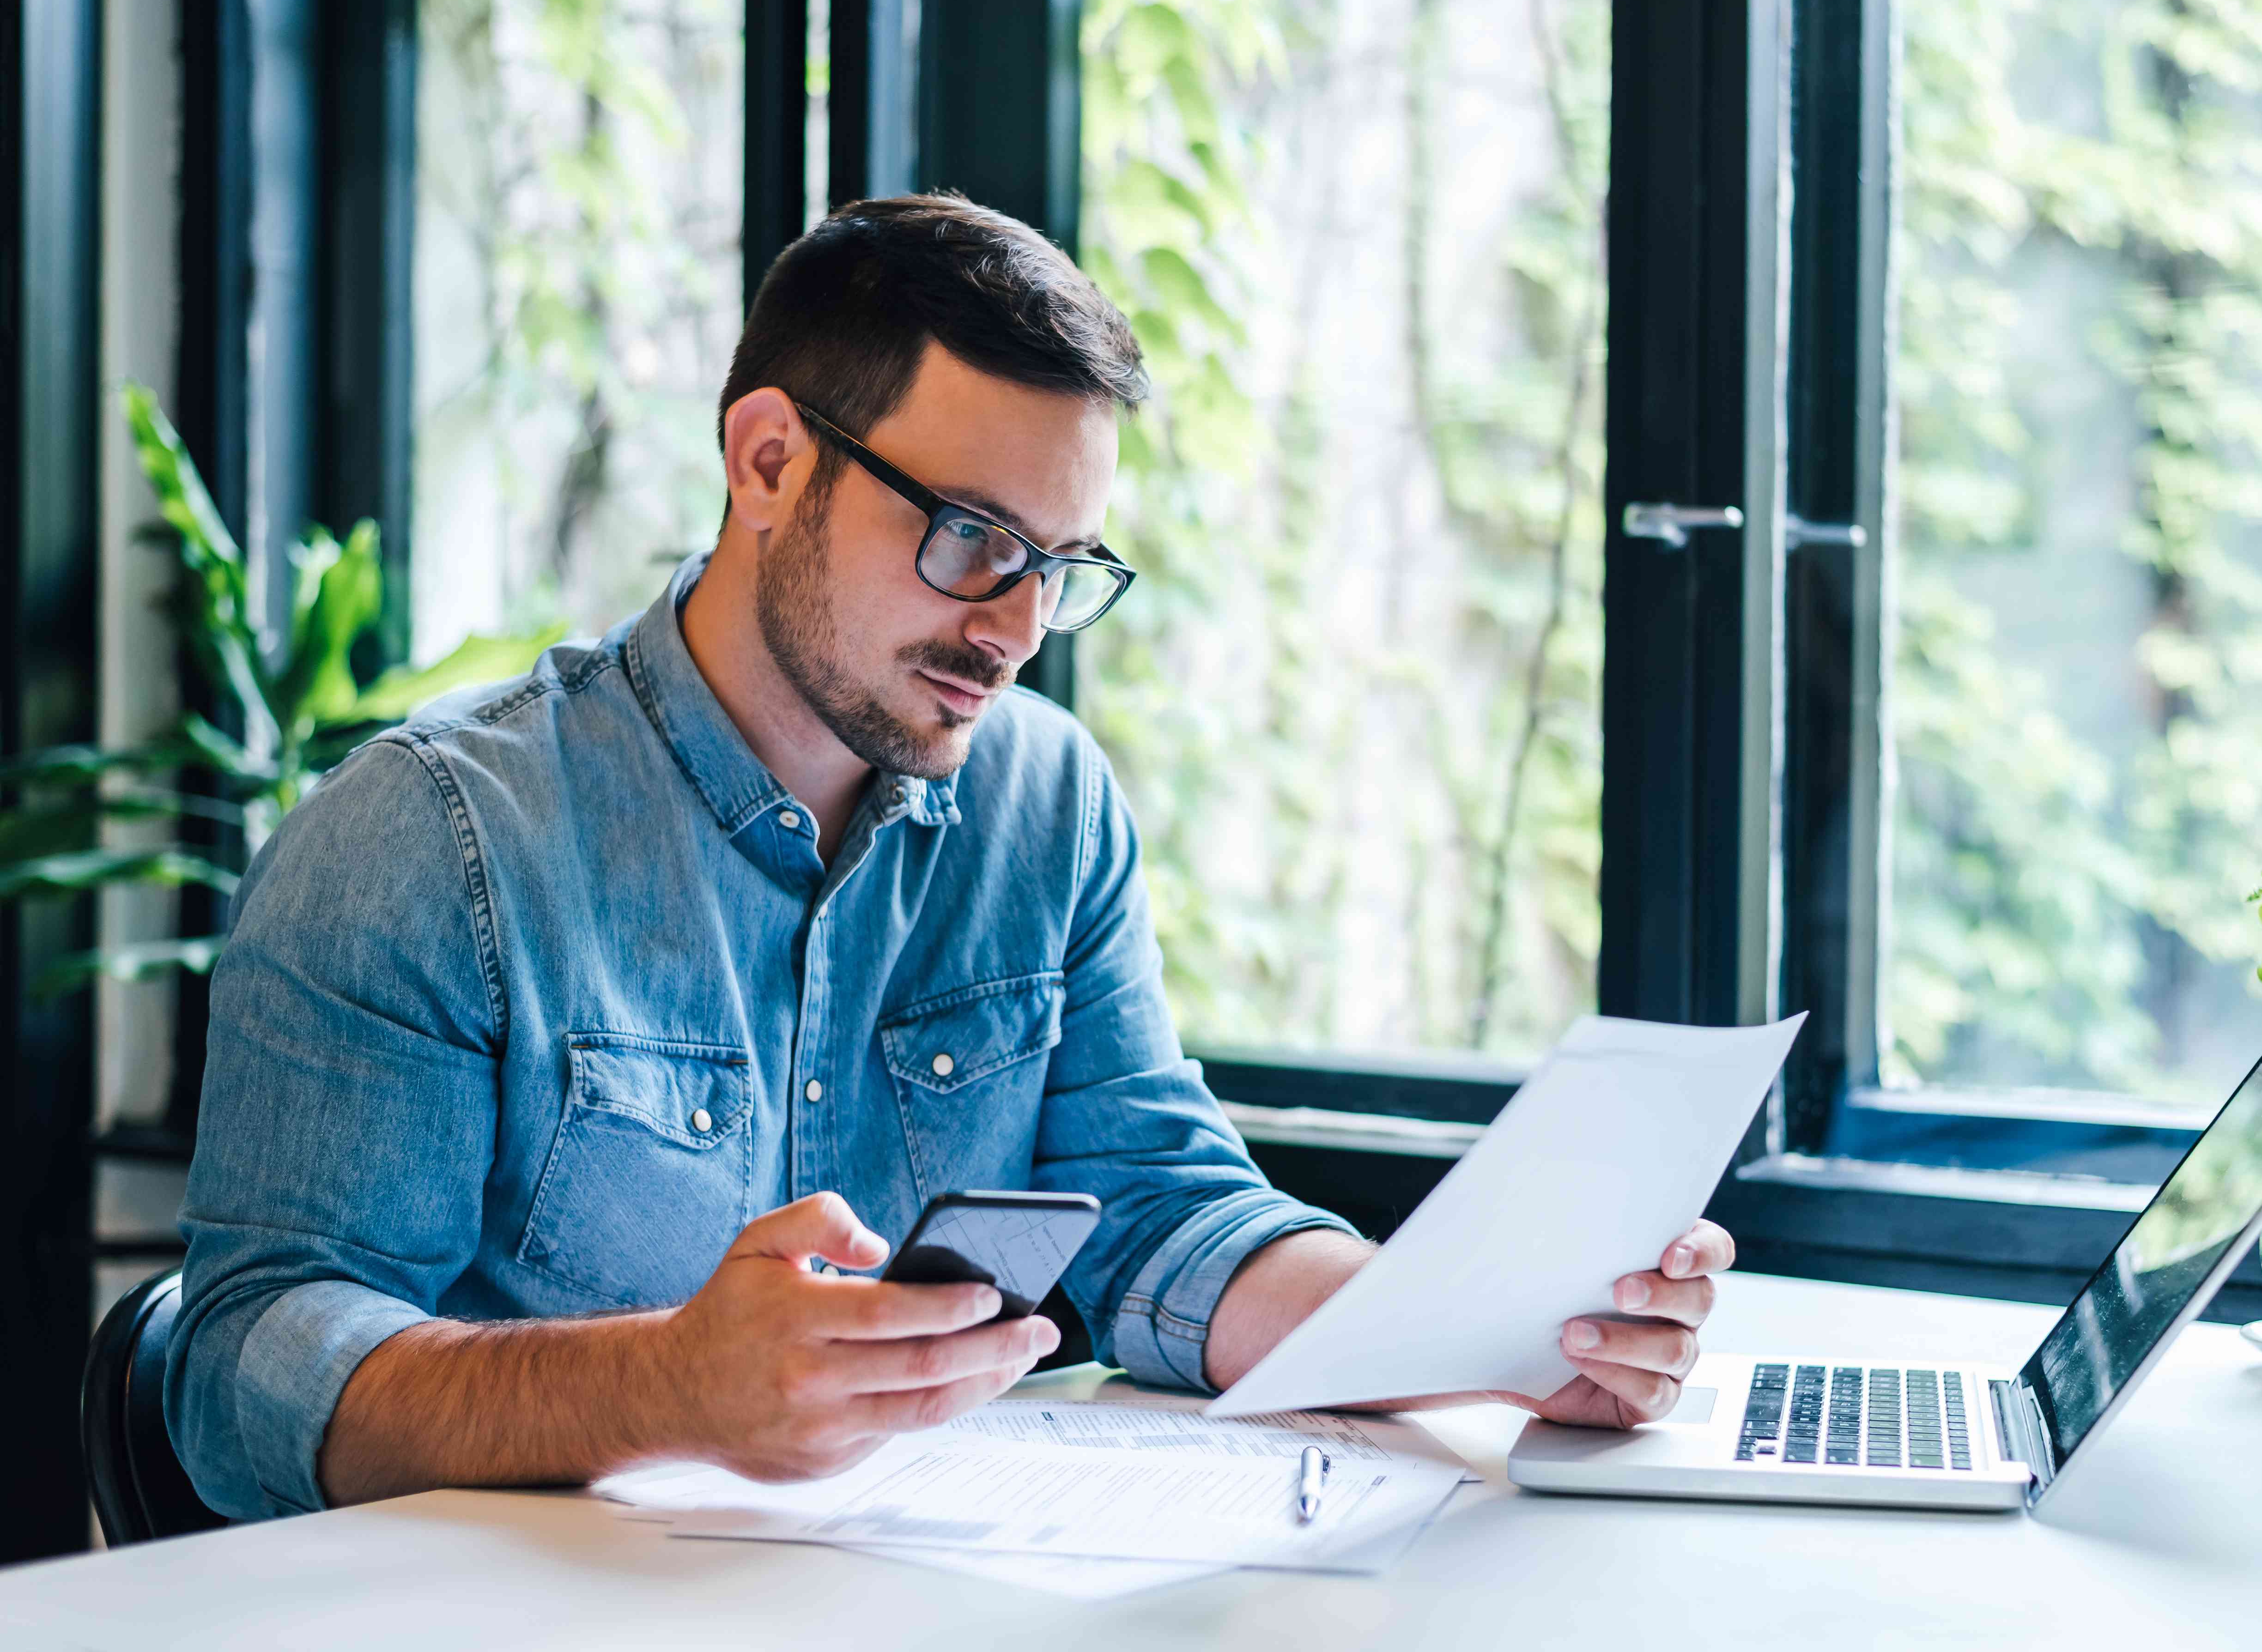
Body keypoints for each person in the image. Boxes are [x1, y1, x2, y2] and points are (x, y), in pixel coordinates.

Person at [167, 195, 1734, 1520]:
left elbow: (1151, 1204)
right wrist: (658, 1385)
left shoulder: (1043, 804)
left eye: (1060, 568)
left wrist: (1485, 1330)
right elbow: (248, 1370)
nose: (1014, 631)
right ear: (770, 461)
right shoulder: (434, 834)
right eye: (972, 538)